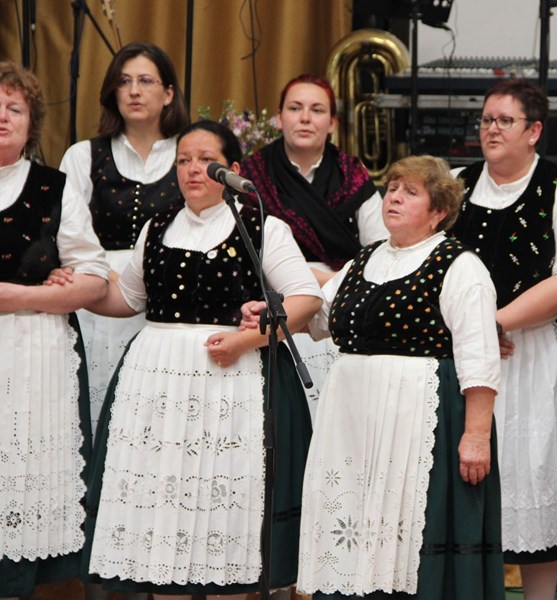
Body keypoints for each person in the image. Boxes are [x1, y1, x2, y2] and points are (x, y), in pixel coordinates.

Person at [77, 120, 323, 599]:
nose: (192, 169)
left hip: (236, 383)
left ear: (233, 170)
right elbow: (127, 299)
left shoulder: (262, 227)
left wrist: (245, 341)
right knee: (161, 518)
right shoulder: (157, 226)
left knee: (226, 510)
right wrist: (76, 287)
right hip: (159, 384)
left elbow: (305, 299)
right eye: (184, 160)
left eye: (206, 160)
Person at [288, 155, 505, 598]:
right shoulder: (365, 258)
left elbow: (480, 358)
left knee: (412, 532)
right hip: (352, 427)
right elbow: (320, 319)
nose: (395, 198)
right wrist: (274, 312)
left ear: (438, 211)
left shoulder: (460, 265)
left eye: (410, 192)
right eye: (391, 189)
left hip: (420, 421)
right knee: (351, 525)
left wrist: (476, 435)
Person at [448, 78, 557, 599]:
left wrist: (495, 324)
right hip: (468, 356)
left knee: (538, 480)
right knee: (468, 482)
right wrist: (476, 333)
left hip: (541, 355)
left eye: (504, 121)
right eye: (486, 120)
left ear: (534, 131)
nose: (491, 129)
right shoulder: (457, 185)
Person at [0, 60, 109, 600]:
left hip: (34, 355)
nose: (2, 117)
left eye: (14, 108)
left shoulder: (53, 188)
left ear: (31, 123)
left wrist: (24, 296)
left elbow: (94, 278)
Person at [59, 42, 190, 433]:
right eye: (124, 81)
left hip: (167, 302)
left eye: (146, 81)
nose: (134, 91)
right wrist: (110, 278)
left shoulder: (188, 156)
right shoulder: (83, 155)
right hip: (98, 295)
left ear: (169, 93)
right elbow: (66, 233)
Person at [240, 74, 388, 417]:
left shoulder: (353, 175)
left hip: (339, 305)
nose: (305, 118)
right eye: (295, 108)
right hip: (270, 306)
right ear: (279, 118)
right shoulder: (252, 174)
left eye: (317, 110)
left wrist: (325, 281)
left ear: (332, 122)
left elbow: (381, 253)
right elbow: (242, 249)